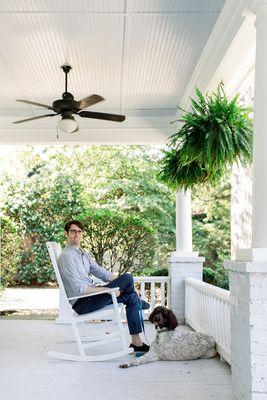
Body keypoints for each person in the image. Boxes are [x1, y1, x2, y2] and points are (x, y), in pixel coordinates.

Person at [58, 219, 150, 353]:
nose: (76, 234)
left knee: (131, 296)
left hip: (93, 297)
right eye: (73, 231)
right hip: (83, 302)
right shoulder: (67, 257)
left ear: (82, 234)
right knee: (127, 278)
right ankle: (138, 302)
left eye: (79, 231)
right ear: (66, 234)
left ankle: (136, 342)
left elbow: (104, 274)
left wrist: (132, 287)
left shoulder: (84, 254)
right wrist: (106, 290)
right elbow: (79, 289)